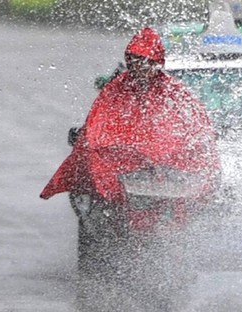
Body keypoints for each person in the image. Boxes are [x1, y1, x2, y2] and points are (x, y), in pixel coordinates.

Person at [40, 27, 220, 204]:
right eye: (135, 60)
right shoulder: (116, 88)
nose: (140, 66)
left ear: (156, 62)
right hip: (125, 171)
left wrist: (169, 150)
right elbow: (98, 123)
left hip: (167, 176)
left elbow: (195, 126)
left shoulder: (174, 91)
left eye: (145, 61)